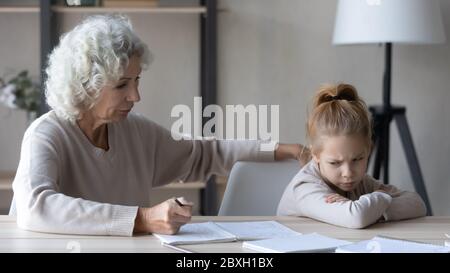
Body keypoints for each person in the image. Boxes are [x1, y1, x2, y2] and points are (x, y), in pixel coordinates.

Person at [9, 14, 310, 236]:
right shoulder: (46, 134)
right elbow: (37, 207)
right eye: (122, 85)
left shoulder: (135, 132)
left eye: (137, 80)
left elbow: (206, 153)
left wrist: (285, 149)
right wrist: (143, 218)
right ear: (85, 86)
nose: (135, 95)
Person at [277, 83, 426, 228]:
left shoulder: (362, 183)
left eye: (357, 159)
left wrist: (373, 210)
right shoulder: (305, 188)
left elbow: (418, 204)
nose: (348, 173)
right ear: (315, 155)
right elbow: (357, 217)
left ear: (368, 149)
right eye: (335, 163)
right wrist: (380, 196)